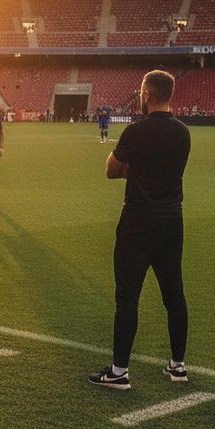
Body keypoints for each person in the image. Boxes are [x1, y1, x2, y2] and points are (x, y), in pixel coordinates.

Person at [89, 70, 190, 389]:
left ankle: (119, 372)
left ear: (146, 94)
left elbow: (110, 170)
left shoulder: (135, 131)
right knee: (174, 293)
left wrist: (133, 172)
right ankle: (178, 366)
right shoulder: (183, 132)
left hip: (138, 222)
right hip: (172, 221)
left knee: (128, 296)